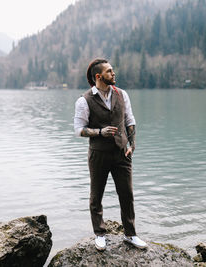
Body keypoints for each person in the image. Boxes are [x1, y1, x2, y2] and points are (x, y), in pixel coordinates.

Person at [74, 58, 147, 251]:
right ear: (99, 76)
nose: (113, 73)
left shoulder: (121, 94)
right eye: (109, 71)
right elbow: (78, 129)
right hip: (98, 154)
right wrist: (99, 132)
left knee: (127, 194)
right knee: (96, 195)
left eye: (113, 70)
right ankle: (99, 234)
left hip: (122, 153)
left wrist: (133, 144)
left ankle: (130, 235)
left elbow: (130, 120)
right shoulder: (84, 100)